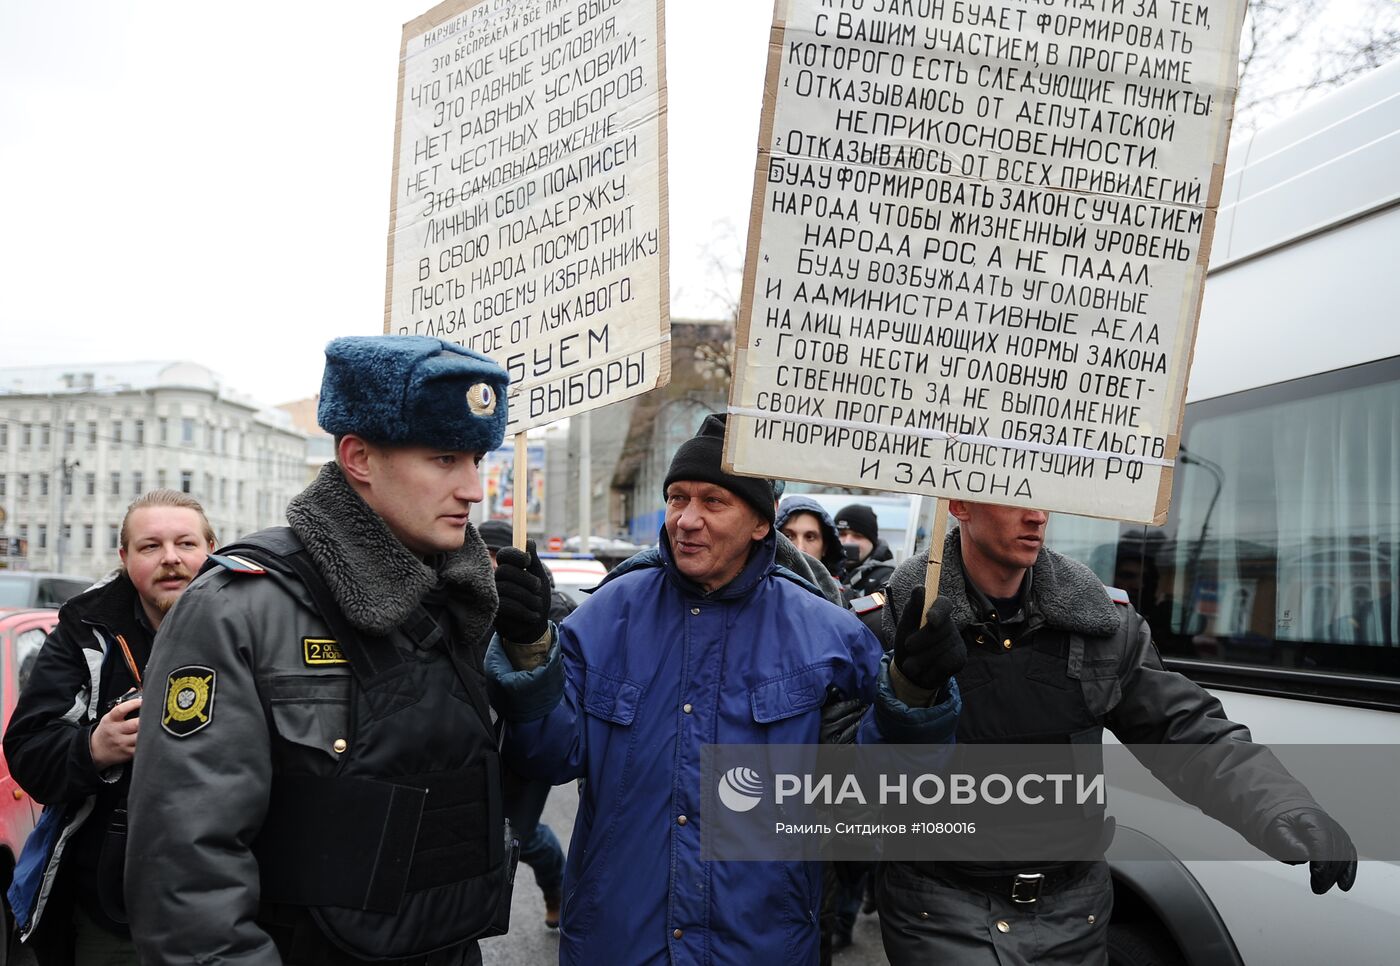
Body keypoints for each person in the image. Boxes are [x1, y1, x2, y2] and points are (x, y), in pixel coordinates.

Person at [485, 413, 961, 965]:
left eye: (714, 502)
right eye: (677, 498)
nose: (686, 519)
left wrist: (914, 694)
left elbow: (876, 789)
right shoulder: (609, 613)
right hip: (618, 942)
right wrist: (529, 649)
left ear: (761, 523)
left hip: (759, 944)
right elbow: (550, 755)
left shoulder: (827, 630)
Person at [124, 336, 514, 965]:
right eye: (445, 459)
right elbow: (186, 864)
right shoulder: (239, 604)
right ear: (359, 457)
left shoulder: (461, 597)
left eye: (477, 459)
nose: (473, 488)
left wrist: (528, 652)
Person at [874, 501, 1359, 966]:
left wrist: (1281, 804)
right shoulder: (893, 621)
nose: (1037, 514)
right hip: (939, 906)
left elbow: (1185, 730)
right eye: (1016, 497)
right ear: (960, 504)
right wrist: (910, 691)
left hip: (1075, 911)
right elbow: (847, 776)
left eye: (1046, 498)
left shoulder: (1103, 622)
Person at [5, 490, 216, 965]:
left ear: (211, 550)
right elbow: (27, 750)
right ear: (124, 557)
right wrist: (93, 749)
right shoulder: (84, 631)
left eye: (185, 544)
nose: (170, 559)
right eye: (149, 547)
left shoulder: (254, 625)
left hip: (234, 894)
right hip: (110, 900)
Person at [479, 518, 568, 929]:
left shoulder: (545, 606)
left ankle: (557, 889)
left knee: (520, 834)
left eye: (496, 557)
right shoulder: (468, 599)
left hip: (528, 735)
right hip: (481, 739)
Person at [776, 496, 846, 582]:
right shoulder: (758, 592)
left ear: (824, 547)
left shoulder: (845, 595)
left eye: (810, 537)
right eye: (788, 537)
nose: (800, 548)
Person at [835, 504, 896, 603]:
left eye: (857, 536)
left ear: (872, 542)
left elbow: (881, 615)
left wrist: (838, 592)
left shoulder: (888, 578)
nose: (847, 542)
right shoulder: (823, 568)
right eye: (842, 534)